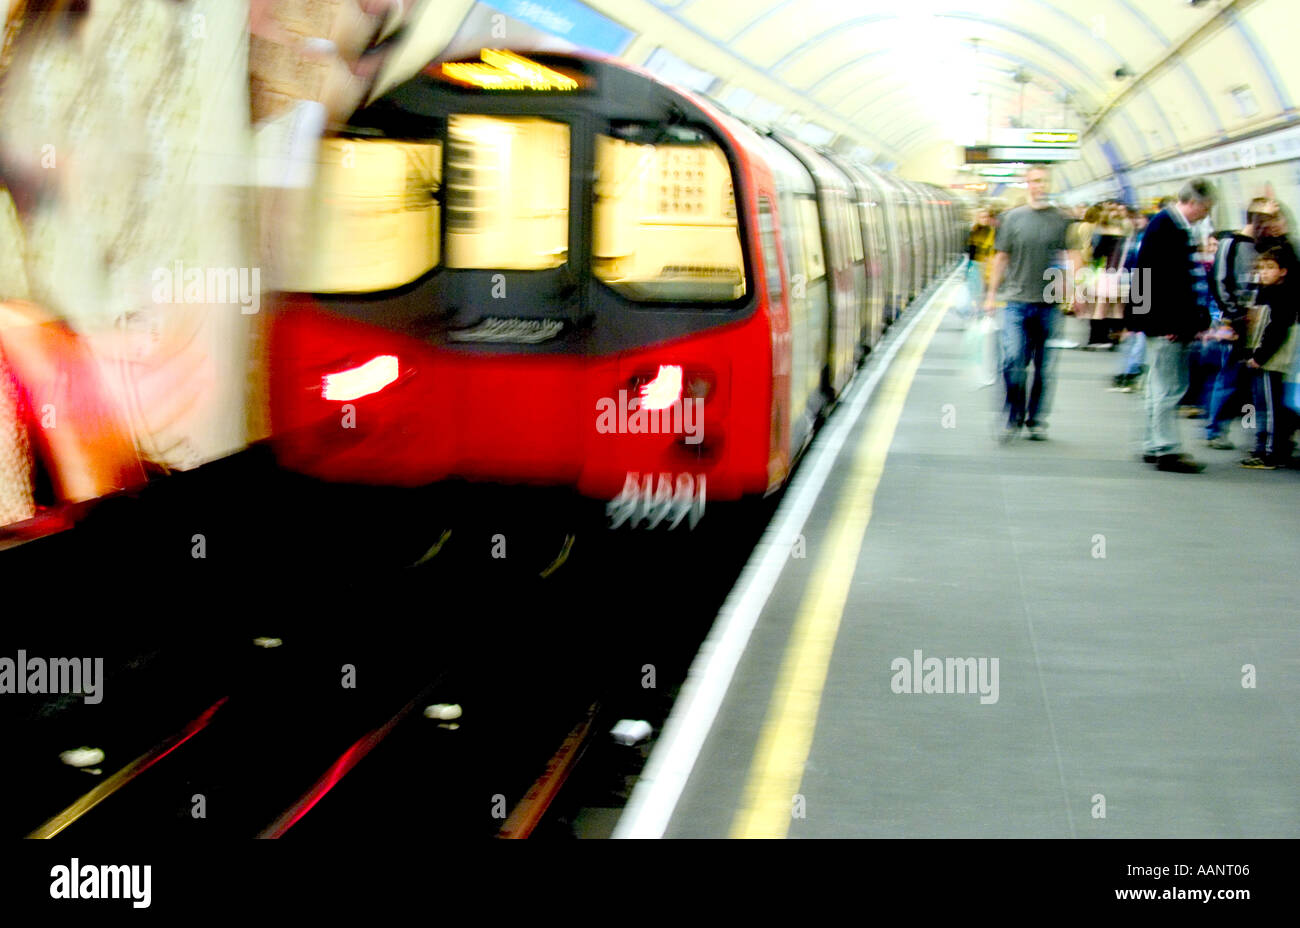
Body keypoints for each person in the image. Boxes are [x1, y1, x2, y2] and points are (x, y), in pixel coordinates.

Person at [983, 165, 1080, 442]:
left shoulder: (1061, 220)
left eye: (1045, 181)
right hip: (1015, 301)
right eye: (1036, 181)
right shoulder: (1011, 219)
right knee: (1013, 360)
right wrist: (991, 295)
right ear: (1027, 184)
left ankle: (1035, 418)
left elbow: (1070, 256)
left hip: (1047, 303)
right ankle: (1011, 414)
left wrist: (1075, 290)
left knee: (1043, 366)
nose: (1041, 185)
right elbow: (1001, 258)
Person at [1132, 178, 1217, 473]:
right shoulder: (1168, 228)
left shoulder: (1166, 225)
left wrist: (1143, 320)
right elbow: (1162, 281)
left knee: (1159, 386)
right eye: (1205, 209)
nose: (1205, 215)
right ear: (1193, 203)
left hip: (1163, 322)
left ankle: (1153, 444)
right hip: (1169, 324)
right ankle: (1166, 449)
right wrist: (1164, 322)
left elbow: (1143, 275)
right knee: (1170, 387)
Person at [1202, 198, 1277, 448]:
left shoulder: (1264, 246)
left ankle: (1248, 425)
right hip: (1235, 320)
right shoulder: (1231, 244)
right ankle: (1215, 430)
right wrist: (1231, 315)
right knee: (1228, 376)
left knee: (1248, 382)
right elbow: (1219, 281)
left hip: (1257, 321)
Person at [1240, 247, 1298, 468]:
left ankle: (1270, 452)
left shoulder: (1283, 297)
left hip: (1270, 361)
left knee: (1270, 407)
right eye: (1261, 268)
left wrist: (1260, 356)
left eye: (1270, 268)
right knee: (1255, 404)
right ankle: (1258, 445)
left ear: (1283, 271)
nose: (1264, 272)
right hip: (1257, 357)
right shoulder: (1262, 293)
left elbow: (1277, 330)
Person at [965, 208, 997, 314]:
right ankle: (977, 312)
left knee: (984, 292)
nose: (985, 219)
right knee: (975, 292)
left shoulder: (993, 232)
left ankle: (984, 313)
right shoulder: (973, 231)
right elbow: (970, 252)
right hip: (975, 266)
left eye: (986, 217)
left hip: (987, 266)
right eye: (982, 217)